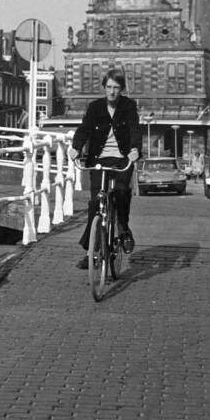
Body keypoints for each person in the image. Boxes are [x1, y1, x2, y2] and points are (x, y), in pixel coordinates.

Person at [68, 67, 141, 269]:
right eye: (108, 87)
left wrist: (135, 150)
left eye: (116, 88)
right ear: (104, 88)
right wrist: (75, 147)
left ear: (122, 89)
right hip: (99, 160)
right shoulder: (95, 108)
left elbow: (135, 129)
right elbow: (84, 129)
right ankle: (92, 252)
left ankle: (123, 227)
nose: (112, 92)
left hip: (121, 160)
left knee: (121, 191)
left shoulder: (128, 106)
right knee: (96, 203)